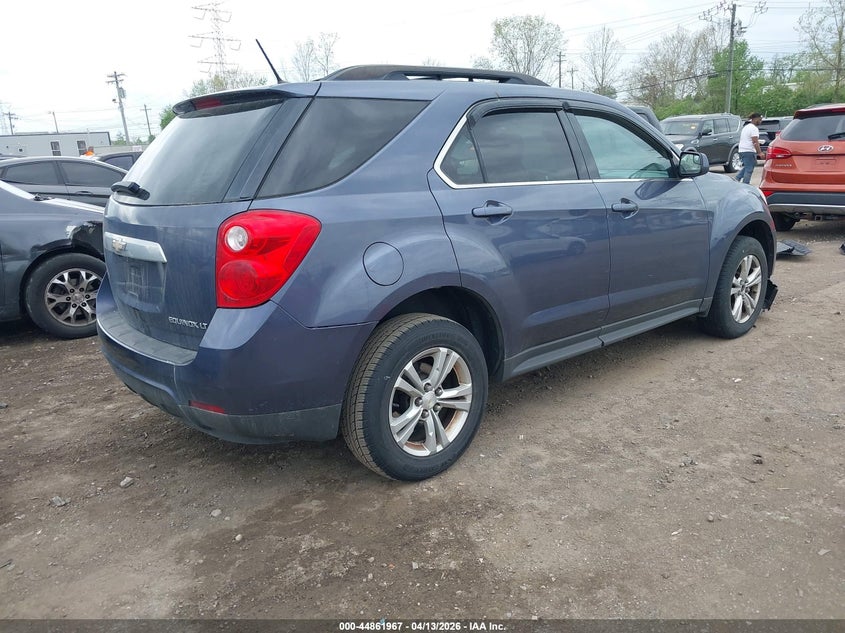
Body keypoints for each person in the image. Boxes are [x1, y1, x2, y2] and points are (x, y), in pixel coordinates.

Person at [735, 113, 764, 184]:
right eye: (759, 120)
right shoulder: (754, 128)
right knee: (749, 169)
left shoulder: (746, 127)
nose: (760, 121)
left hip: (742, 150)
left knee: (748, 166)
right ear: (755, 119)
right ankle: (746, 184)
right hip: (749, 151)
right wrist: (760, 152)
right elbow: (755, 142)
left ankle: (736, 179)